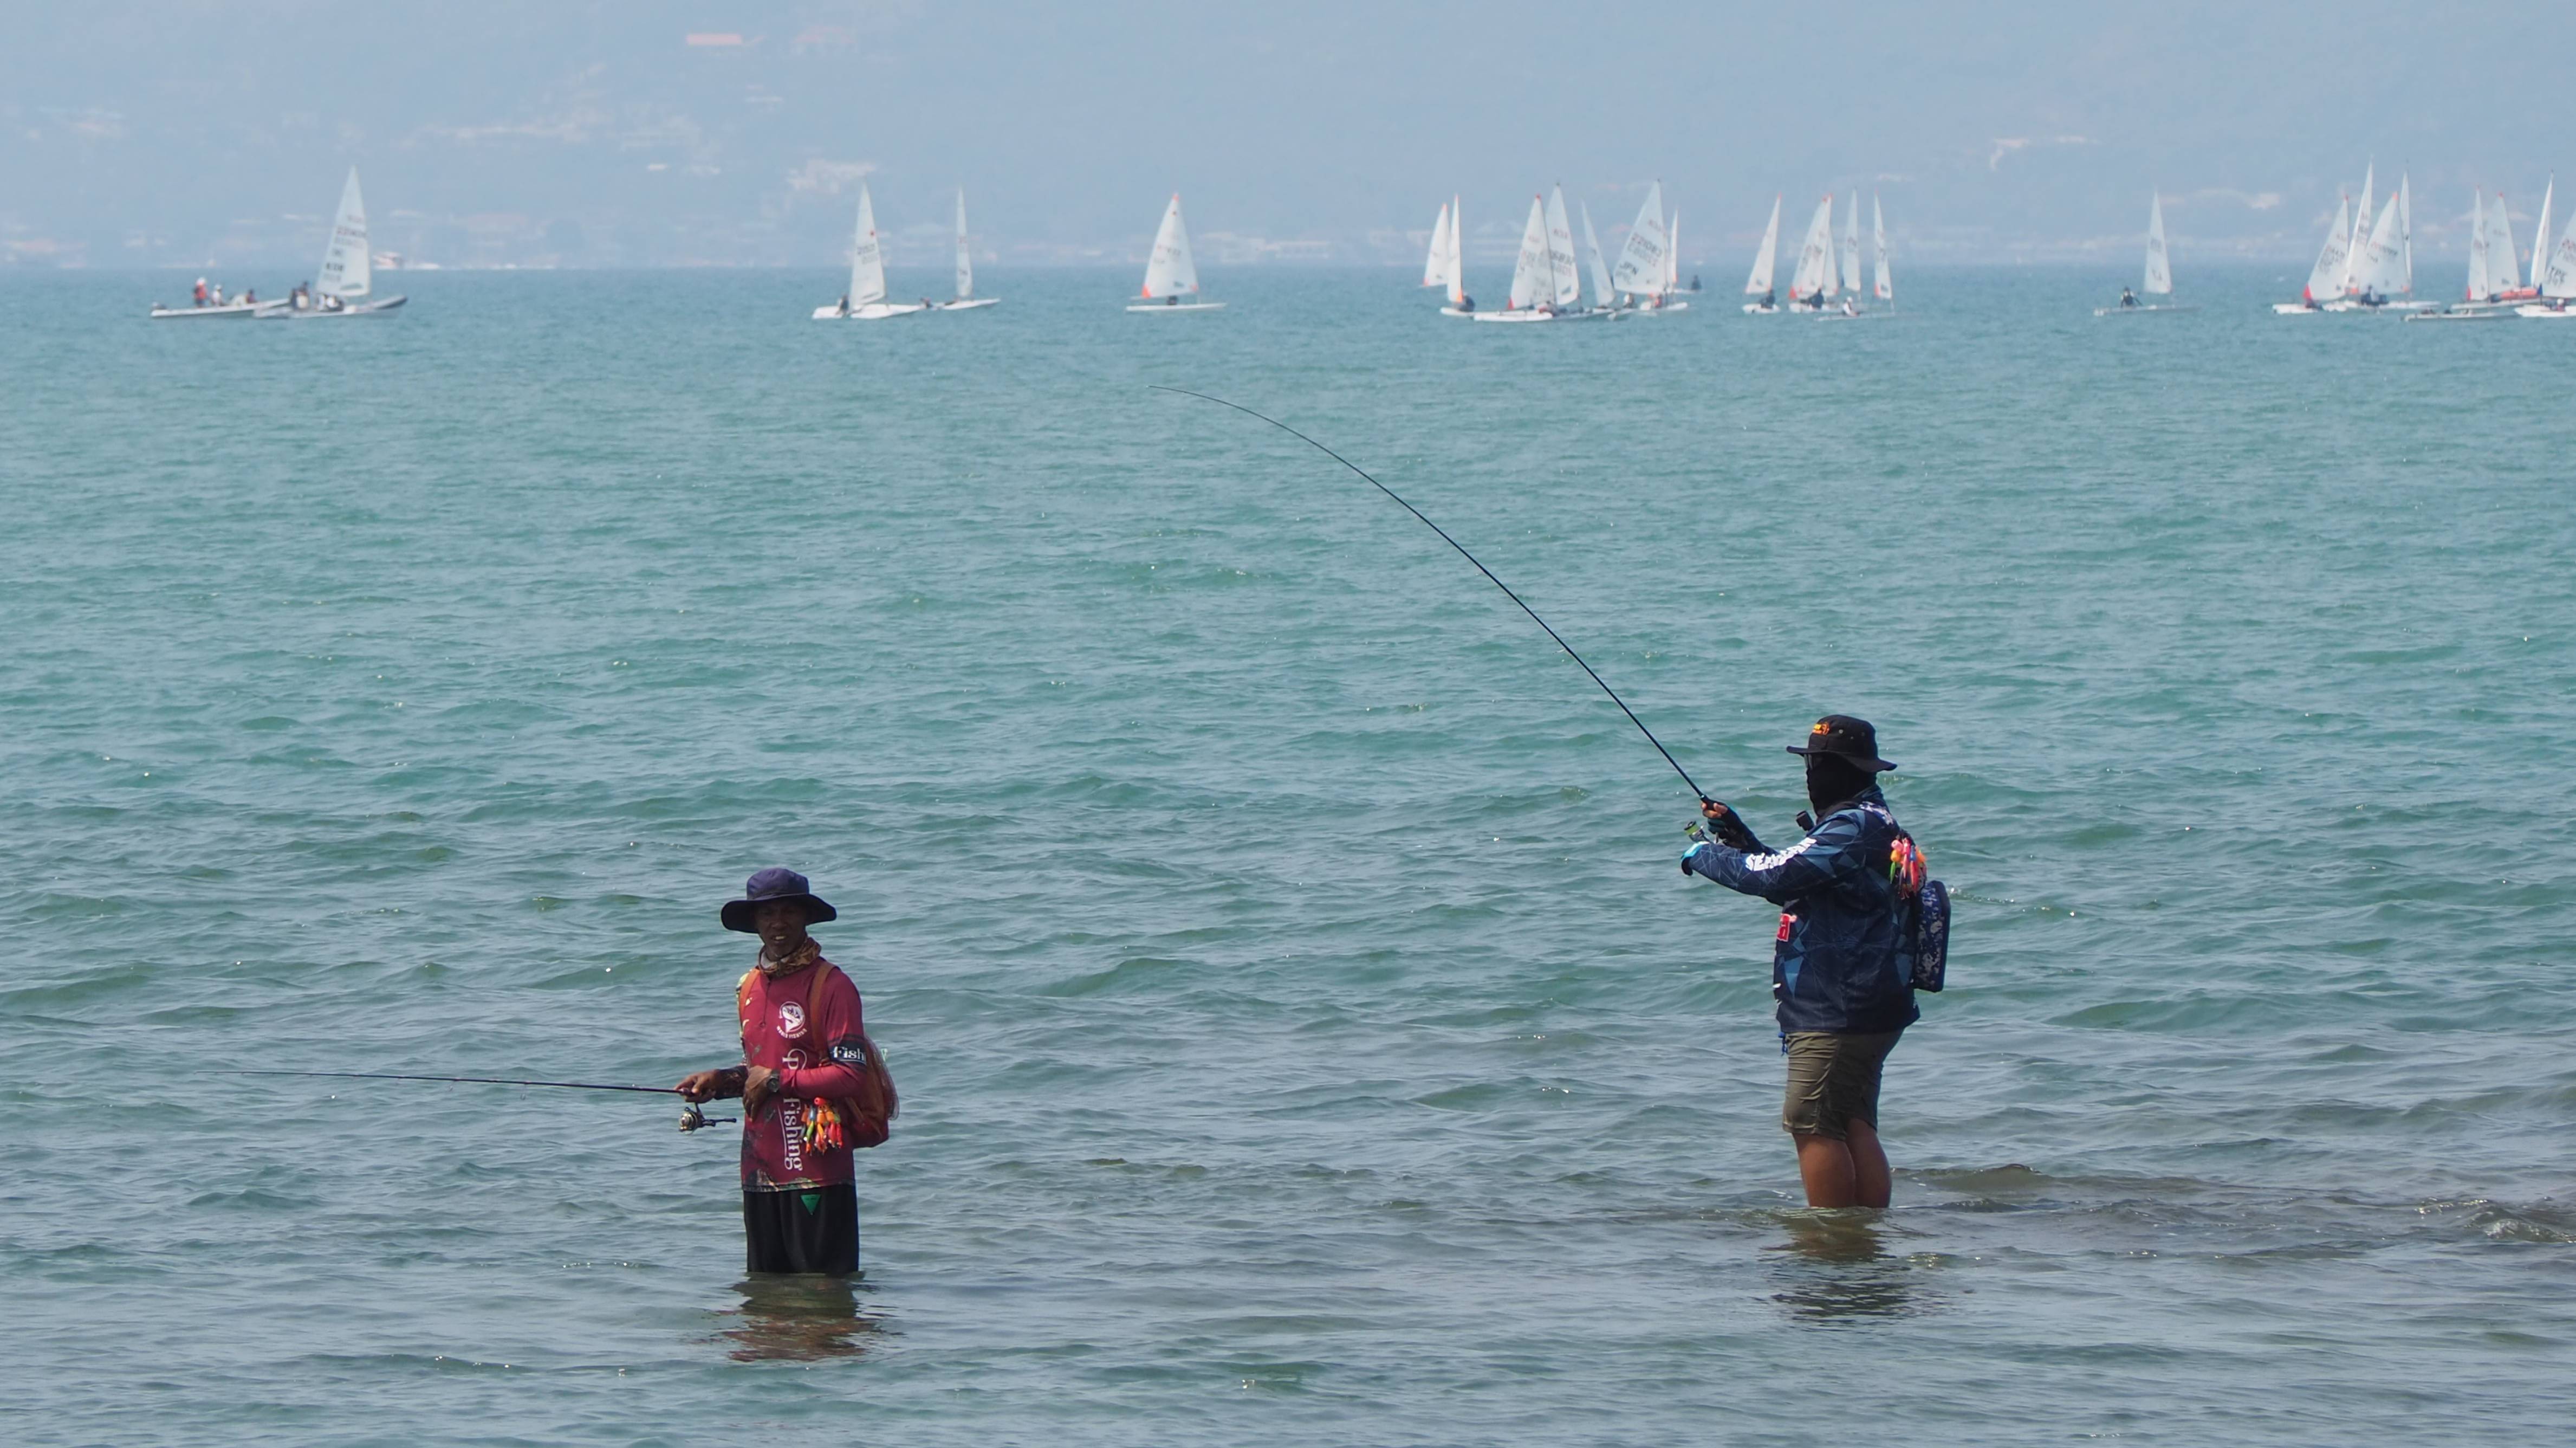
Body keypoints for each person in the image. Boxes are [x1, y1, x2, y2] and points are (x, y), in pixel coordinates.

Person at [1680, 716, 1922, 1210]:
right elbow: (1798, 881)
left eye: (1812, 765)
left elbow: (1776, 878)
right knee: (1851, 1120)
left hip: (1839, 1005)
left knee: (1811, 1122)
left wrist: (1704, 855)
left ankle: (1830, 1248)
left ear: (1833, 768)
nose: (1809, 776)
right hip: (1869, 999)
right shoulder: (1870, 820)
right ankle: (1863, 1240)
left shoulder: (1854, 825)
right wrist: (1735, 836)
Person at [678, 868, 879, 1276]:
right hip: (760, 1167)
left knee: (824, 1297)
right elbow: (758, 1070)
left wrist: (774, 1080)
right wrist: (720, 1081)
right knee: (766, 1298)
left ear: (806, 918)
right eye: (767, 914)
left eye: (789, 912)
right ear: (754, 923)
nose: (778, 924)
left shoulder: (833, 986)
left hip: (819, 1168)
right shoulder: (748, 987)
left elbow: (850, 1075)